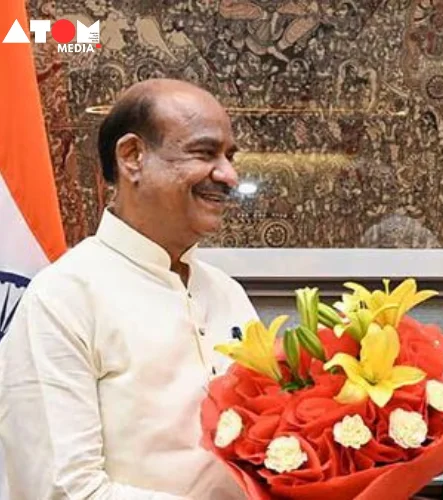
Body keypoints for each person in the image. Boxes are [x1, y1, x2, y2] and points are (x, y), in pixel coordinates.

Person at [0, 79, 257, 499]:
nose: (228, 175)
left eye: (230, 156)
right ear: (132, 157)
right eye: (205, 153)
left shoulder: (227, 293)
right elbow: (61, 489)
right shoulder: (64, 298)